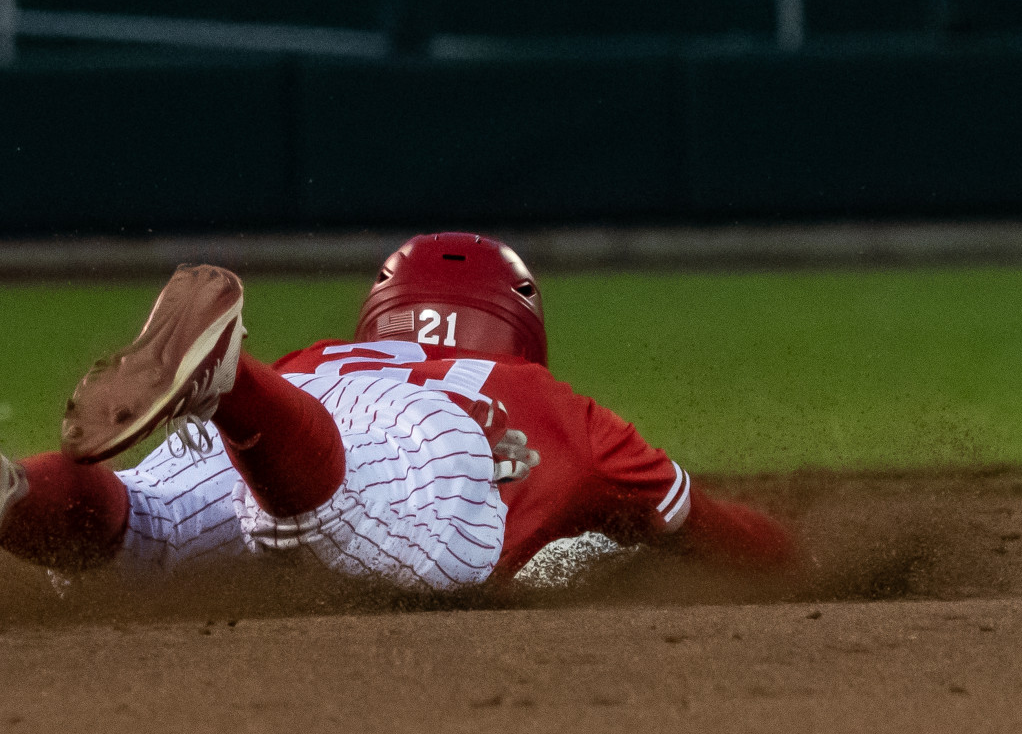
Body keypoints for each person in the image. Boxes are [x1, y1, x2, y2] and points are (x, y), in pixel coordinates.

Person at [0, 235, 797, 592]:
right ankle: (226, 379)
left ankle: (16, 492)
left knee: (145, 524)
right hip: (413, 438)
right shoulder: (560, 409)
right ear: (518, 323)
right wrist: (796, 567)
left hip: (300, 400)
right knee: (347, 516)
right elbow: (715, 530)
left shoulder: (325, 353)